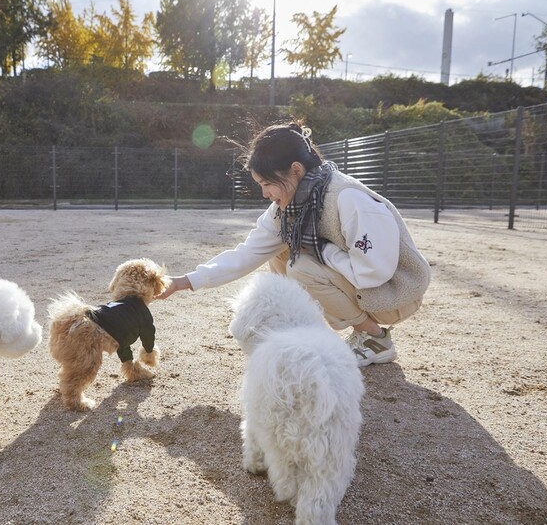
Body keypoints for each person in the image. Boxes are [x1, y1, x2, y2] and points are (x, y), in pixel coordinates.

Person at [159, 121, 431, 367]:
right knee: (280, 254)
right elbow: (247, 253)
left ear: (296, 170)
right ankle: (309, 329)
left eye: (267, 183)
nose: (265, 193)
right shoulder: (289, 208)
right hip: (364, 285)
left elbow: (373, 272)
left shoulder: (348, 199)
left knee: (301, 265)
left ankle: (375, 338)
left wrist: (324, 251)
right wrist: (184, 281)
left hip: (394, 293)